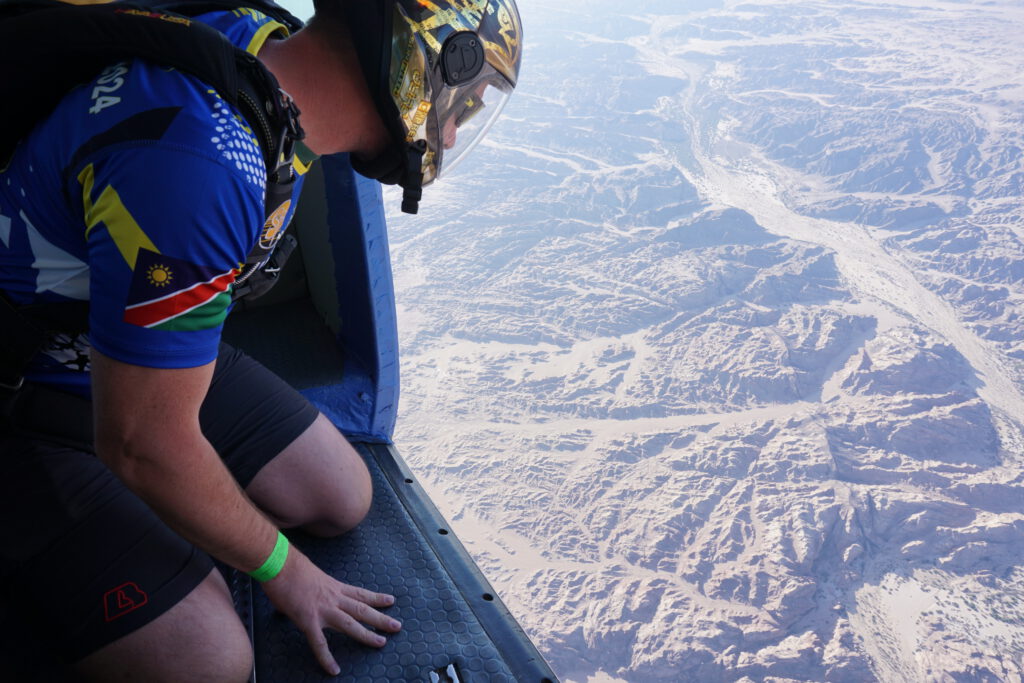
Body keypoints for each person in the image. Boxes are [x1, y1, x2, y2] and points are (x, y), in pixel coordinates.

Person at [0, 0, 522, 680]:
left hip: (113, 345)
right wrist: (286, 570)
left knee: (340, 494)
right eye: (464, 104)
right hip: (25, 383)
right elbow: (140, 441)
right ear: (420, 66)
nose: (450, 135)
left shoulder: (259, 48)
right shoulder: (202, 166)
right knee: (209, 659)